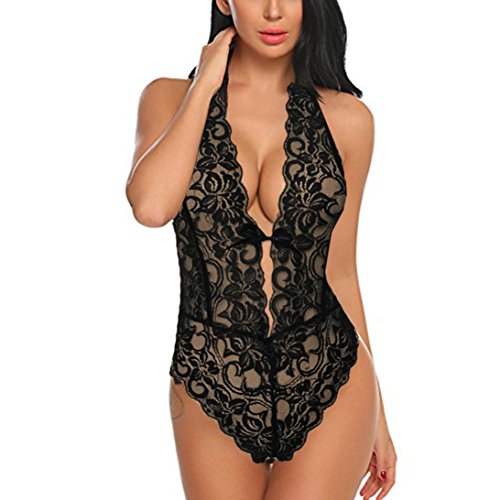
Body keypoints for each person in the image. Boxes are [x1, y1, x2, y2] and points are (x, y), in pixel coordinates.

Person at [125, 1, 397, 498]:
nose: (274, 11)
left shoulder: (348, 119)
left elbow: (340, 271)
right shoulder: (169, 97)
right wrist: (205, 84)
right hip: (210, 375)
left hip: (330, 371)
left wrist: (380, 414)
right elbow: (151, 206)